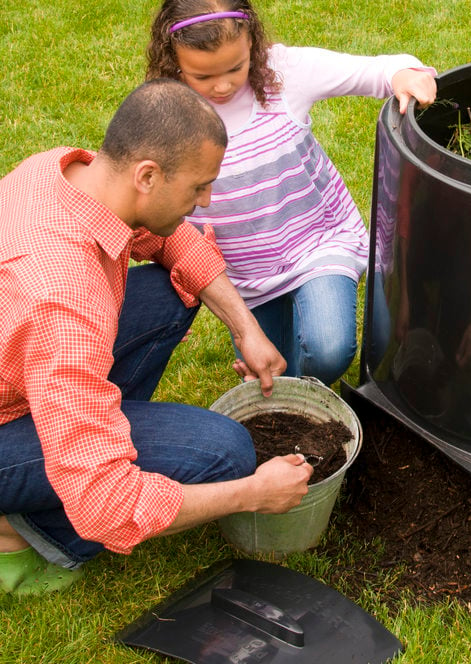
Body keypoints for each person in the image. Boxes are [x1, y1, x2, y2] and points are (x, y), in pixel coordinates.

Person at [0, 78, 313, 596]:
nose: (207, 201)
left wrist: (247, 328)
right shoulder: (66, 300)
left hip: (27, 364)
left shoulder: (65, 173)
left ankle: (87, 430)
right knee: (224, 453)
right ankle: (20, 530)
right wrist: (252, 493)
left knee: (172, 293)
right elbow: (107, 505)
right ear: (147, 175)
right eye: (198, 187)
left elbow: (173, 242)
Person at [145, 0, 437, 386]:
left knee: (328, 350)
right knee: (270, 370)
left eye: (236, 67)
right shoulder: (164, 109)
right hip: (242, 274)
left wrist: (403, 74)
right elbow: (153, 206)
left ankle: (301, 390)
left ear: (253, 44)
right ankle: (291, 398)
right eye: (203, 76)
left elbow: (376, 70)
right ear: (173, 62)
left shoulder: (282, 74)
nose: (223, 85)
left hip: (316, 243)